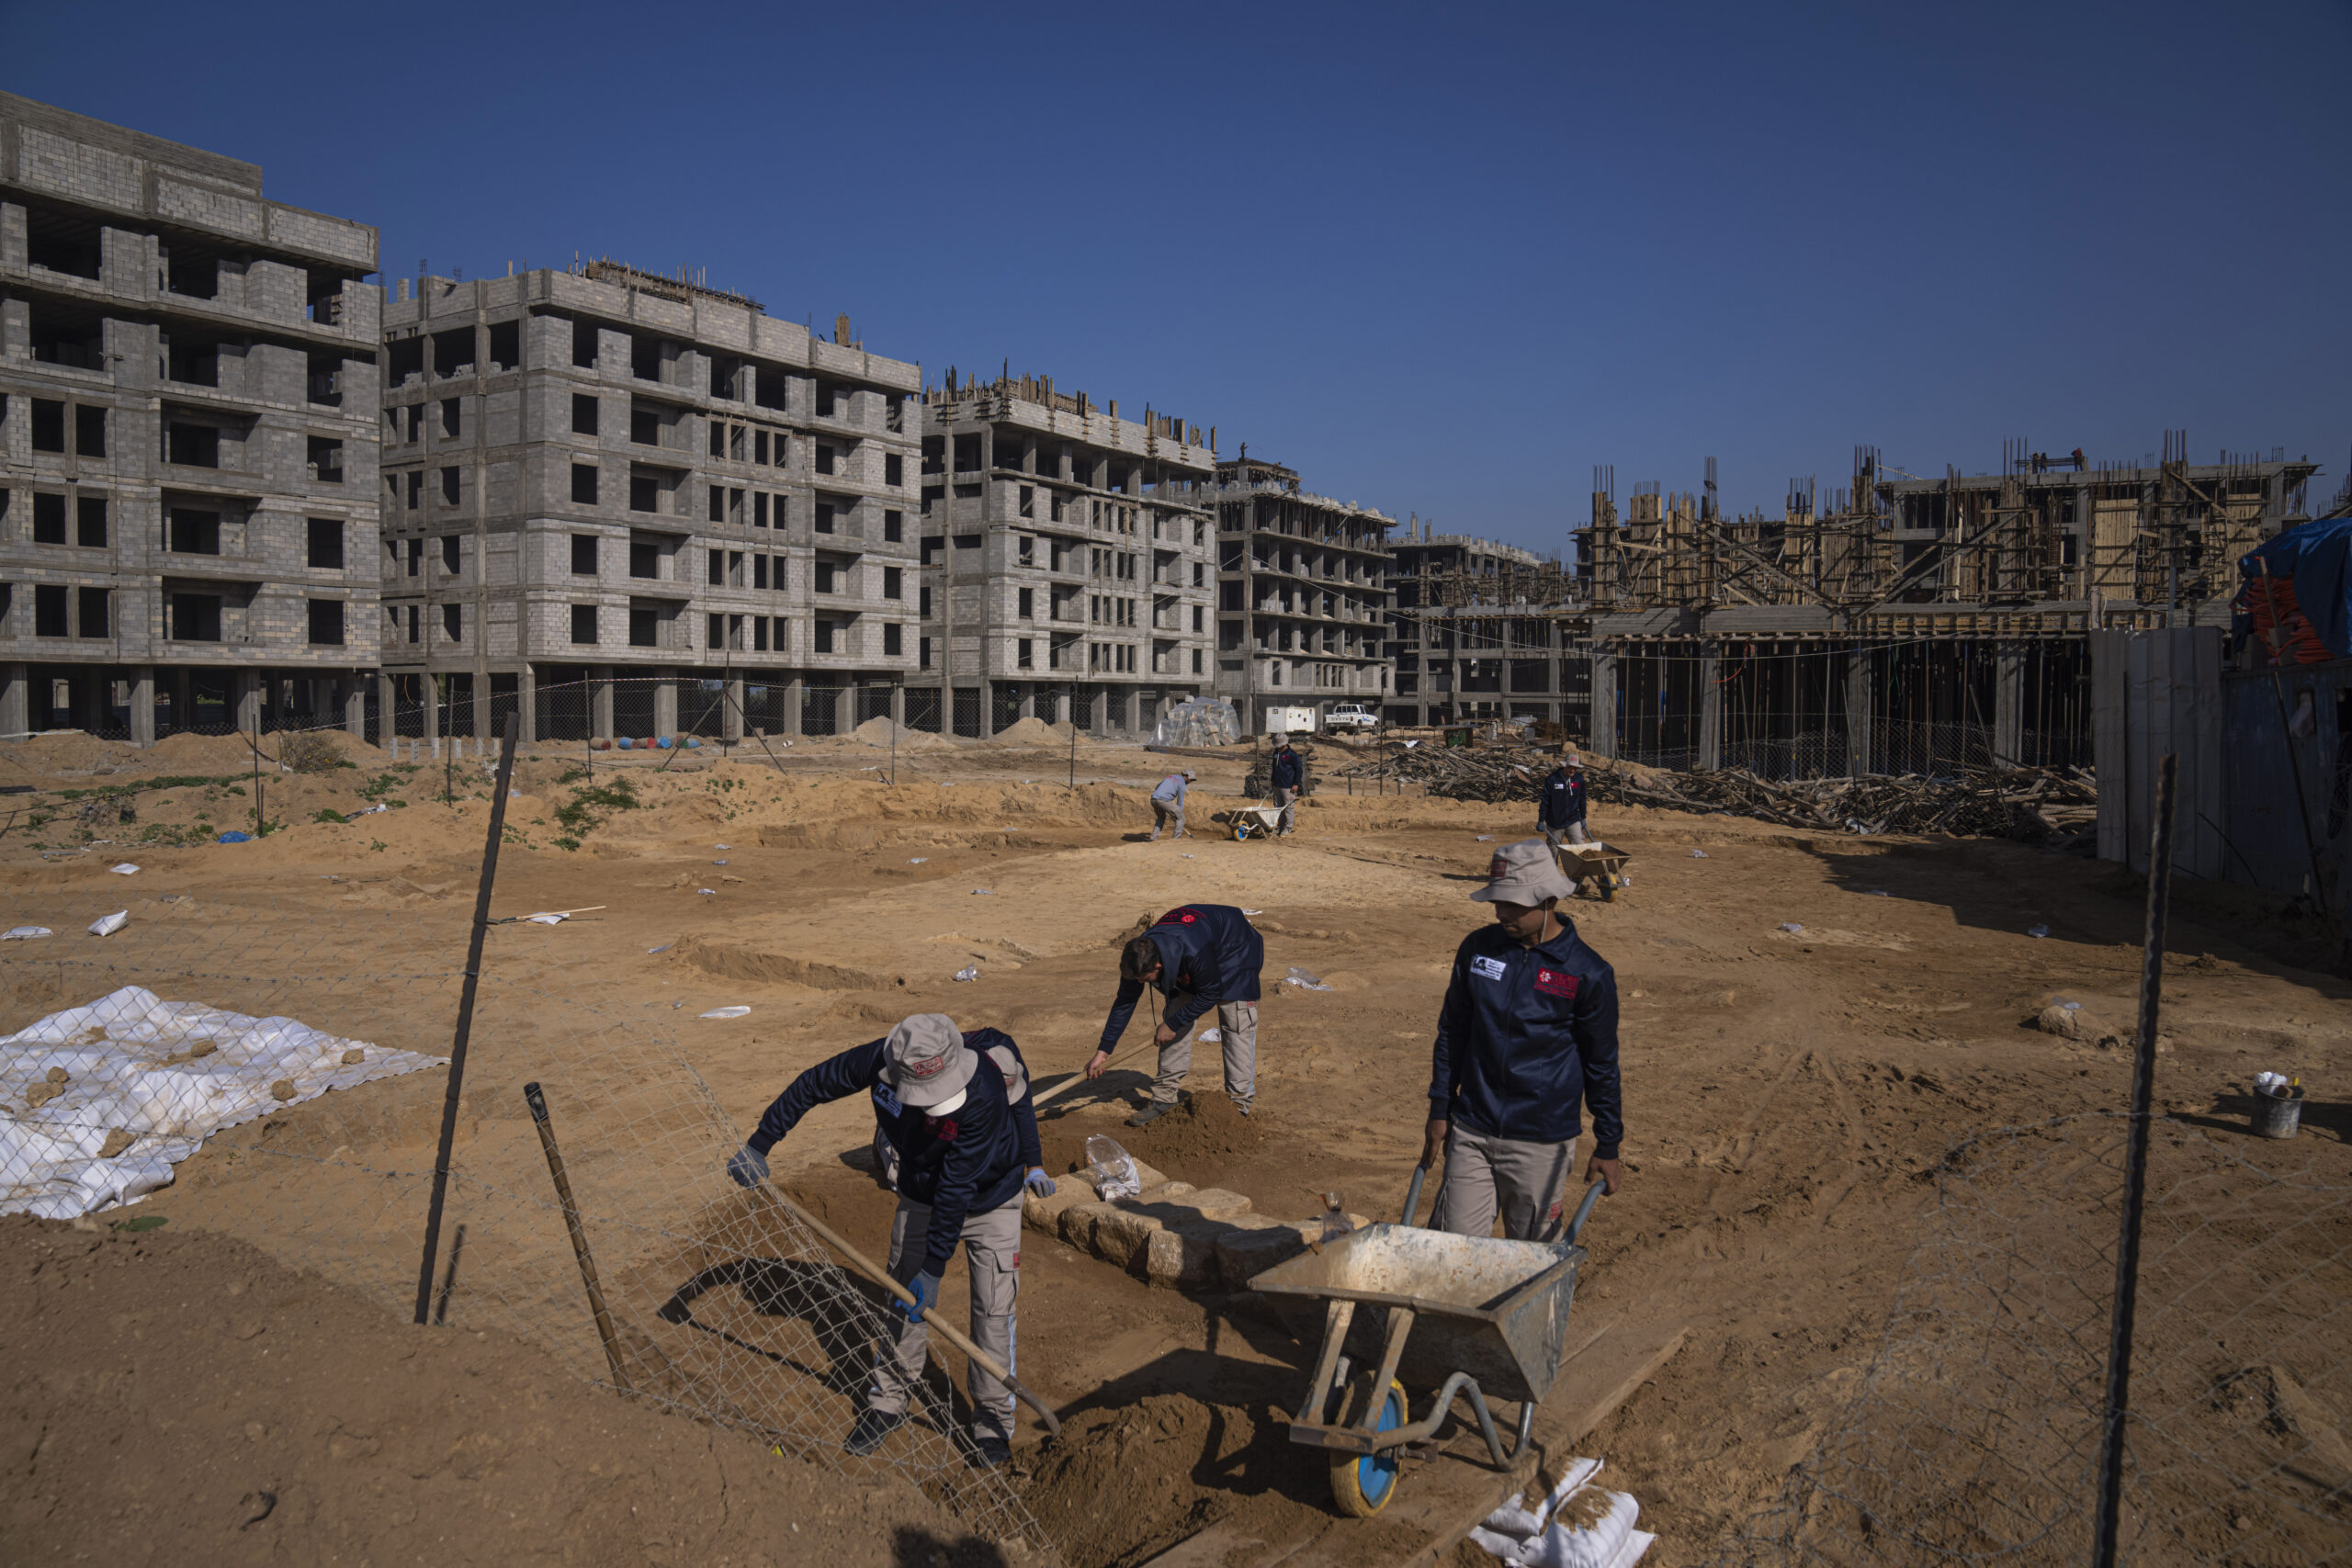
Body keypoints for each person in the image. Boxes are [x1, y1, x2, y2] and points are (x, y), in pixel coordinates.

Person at [727, 1015, 1055, 1468]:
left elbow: (956, 1187)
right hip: (921, 1196)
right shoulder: (879, 1062)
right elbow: (812, 1085)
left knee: (993, 1311)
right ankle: (888, 1400)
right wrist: (760, 1143)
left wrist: (934, 1267)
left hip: (991, 1200)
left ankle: (992, 1422)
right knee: (903, 1301)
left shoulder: (984, 1087)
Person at [1421, 840, 1623, 1242]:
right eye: (1498, 901)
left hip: (1541, 1141)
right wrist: (1440, 1108)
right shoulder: (1478, 949)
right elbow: (1452, 1033)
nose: (1501, 912)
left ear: (1549, 900)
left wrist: (1608, 1142)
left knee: (1531, 1260)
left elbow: (1601, 1063)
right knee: (1450, 1249)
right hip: (1472, 1129)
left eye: (1513, 904)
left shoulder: (1587, 972)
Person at [1087, 903, 1264, 1124]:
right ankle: (1164, 1099)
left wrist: (1173, 1024)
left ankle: (1238, 1104)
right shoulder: (1137, 958)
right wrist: (1104, 1050)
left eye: (1144, 979)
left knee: (1236, 1021)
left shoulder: (1192, 952)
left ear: (1158, 966)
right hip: (1198, 947)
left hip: (1235, 949)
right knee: (1174, 1016)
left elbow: (1211, 993)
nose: (1140, 983)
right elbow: (1125, 1002)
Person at [1537, 750, 1591, 852]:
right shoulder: (1552, 779)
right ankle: (1552, 863)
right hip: (1555, 821)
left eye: (1575, 768)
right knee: (1553, 849)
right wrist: (1541, 820)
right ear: (1565, 766)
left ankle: (1576, 863)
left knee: (1579, 846)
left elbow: (1582, 799)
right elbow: (1545, 801)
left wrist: (1583, 817)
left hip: (1573, 819)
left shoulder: (1578, 779)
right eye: (1570, 767)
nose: (1572, 770)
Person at [1269, 738, 1304, 836]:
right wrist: (1272, 780)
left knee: (1288, 807)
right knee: (1278, 807)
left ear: (1284, 744)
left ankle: (1288, 827)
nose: (1277, 747)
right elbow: (1274, 767)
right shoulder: (1276, 753)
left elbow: (1299, 770)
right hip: (1277, 784)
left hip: (1288, 786)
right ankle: (1280, 826)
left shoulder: (1292, 755)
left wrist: (1296, 783)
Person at [1149, 769, 1197, 840]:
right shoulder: (1182, 784)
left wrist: (1174, 814)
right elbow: (1180, 801)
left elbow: (1157, 786)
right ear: (1187, 776)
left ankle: (1153, 838)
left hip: (1153, 799)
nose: (1191, 781)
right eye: (1191, 779)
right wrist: (1177, 815)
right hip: (1163, 800)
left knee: (1161, 817)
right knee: (1181, 818)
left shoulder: (1171, 776)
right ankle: (1176, 840)